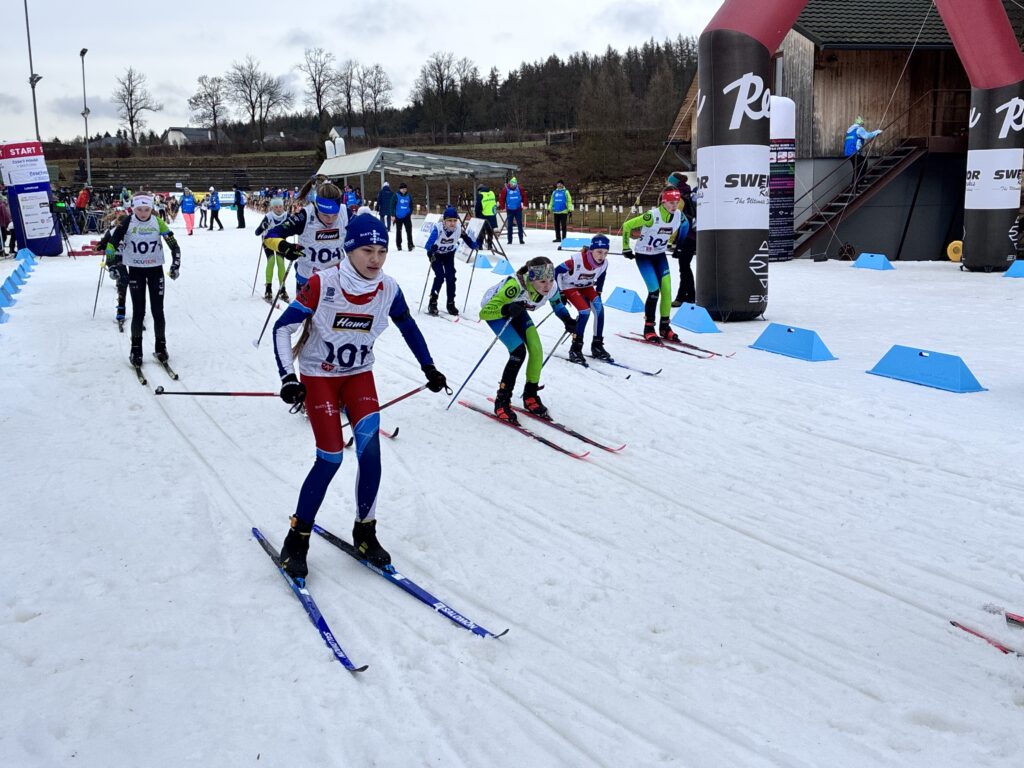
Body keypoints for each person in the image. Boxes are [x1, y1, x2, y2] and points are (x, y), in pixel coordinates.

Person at [271, 213, 448, 579]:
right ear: (349, 249)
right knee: (330, 458)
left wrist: (428, 367)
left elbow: (408, 325)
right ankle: (297, 538)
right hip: (320, 377)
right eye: (367, 250)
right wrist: (288, 377)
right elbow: (283, 327)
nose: (376, 259)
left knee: (371, 455)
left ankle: (365, 532)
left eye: (382, 251)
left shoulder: (388, 289)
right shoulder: (323, 283)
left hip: (358, 377)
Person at [104, 192, 182, 367]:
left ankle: (161, 347)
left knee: (158, 311)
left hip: (155, 271)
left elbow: (174, 246)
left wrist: (175, 265)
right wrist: (111, 264)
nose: (143, 213)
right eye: (139, 209)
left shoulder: (157, 222)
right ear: (134, 208)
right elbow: (111, 243)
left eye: (146, 209)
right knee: (139, 312)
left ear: (151, 208)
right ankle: (136, 350)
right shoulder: (127, 222)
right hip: (136, 272)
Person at [479, 256, 558, 424]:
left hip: (517, 310)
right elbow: (484, 312)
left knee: (536, 349)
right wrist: (506, 308)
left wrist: (568, 320)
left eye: (551, 280)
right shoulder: (514, 286)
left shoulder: (551, 287)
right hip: (496, 312)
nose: (548, 285)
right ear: (532, 279)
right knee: (518, 352)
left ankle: (530, 396)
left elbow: (557, 304)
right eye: (543, 281)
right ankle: (502, 401)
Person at [620, 187, 688, 342]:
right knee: (654, 290)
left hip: (659, 256)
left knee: (667, 290)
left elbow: (685, 226)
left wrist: (680, 246)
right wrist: (626, 247)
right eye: (671, 202)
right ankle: (649, 327)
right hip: (644, 256)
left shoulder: (679, 215)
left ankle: (665, 327)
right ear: (663, 202)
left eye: (676, 202)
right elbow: (627, 225)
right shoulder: (652, 216)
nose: (674, 206)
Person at [262, 180, 349, 294]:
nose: (330, 220)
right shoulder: (305, 216)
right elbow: (269, 236)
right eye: (325, 215)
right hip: (308, 280)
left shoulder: (345, 212)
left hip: (336, 278)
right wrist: (285, 247)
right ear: (316, 206)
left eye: (335, 215)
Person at [550, 234, 612, 364]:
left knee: (599, 309)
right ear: (591, 250)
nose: (602, 256)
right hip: (569, 286)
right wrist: (559, 293)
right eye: (599, 252)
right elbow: (556, 272)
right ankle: (576, 348)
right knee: (585, 311)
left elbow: (602, 276)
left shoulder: (604, 263)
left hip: (586, 286)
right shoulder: (577, 260)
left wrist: (599, 291)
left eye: (605, 253)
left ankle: (597, 345)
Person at [424, 206, 478, 316]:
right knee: (440, 277)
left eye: (454, 220)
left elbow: (468, 240)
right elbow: (428, 244)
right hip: (436, 255)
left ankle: (450, 303)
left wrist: (474, 245)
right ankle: (433, 302)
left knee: (451, 278)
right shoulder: (438, 229)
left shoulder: (458, 229)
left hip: (448, 254)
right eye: (449, 221)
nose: (452, 223)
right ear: (444, 221)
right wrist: (432, 247)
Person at [255, 197, 291, 302]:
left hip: (280, 242)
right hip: (268, 240)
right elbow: (257, 232)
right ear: (272, 208)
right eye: (276, 207)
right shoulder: (268, 216)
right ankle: (268, 288)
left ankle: (282, 289)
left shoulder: (287, 216)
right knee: (271, 261)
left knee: (280, 262)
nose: (279, 209)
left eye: (280, 206)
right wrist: (263, 226)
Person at [668, 174, 696, 307]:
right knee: (685, 266)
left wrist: (670, 240)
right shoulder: (688, 193)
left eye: (669, 182)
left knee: (684, 267)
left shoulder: (679, 198)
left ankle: (682, 297)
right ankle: (690, 295)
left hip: (686, 236)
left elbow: (676, 221)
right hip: (693, 235)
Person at [844, 116, 882, 193]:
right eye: (862, 124)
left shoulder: (850, 130)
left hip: (848, 152)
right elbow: (867, 136)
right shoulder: (859, 129)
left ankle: (854, 186)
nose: (863, 125)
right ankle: (859, 182)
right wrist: (876, 132)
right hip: (855, 152)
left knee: (856, 169)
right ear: (861, 123)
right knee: (863, 164)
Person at [499, 176, 527, 245]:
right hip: (510, 209)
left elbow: (524, 196)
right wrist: (502, 207)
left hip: (518, 209)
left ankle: (521, 239)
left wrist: (525, 204)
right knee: (510, 225)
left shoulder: (520, 188)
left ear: (516, 184)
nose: (513, 186)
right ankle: (509, 240)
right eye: (512, 185)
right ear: (510, 184)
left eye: (514, 185)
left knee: (519, 224)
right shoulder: (505, 189)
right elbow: (502, 199)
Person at [390, 182, 414, 251]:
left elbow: (411, 205)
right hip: (398, 216)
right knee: (398, 231)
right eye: (402, 189)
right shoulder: (396, 195)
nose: (404, 190)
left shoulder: (409, 196)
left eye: (405, 189)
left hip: (407, 216)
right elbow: (392, 205)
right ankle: (399, 245)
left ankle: (410, 245)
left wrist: (410, 212)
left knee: (409, 231)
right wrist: (392, 215)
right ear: (400, 189)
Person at [475, 184, 498, 250]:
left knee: (482, 231)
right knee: (490, 231)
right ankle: (489, 245)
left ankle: (480, 245)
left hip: (484, 215)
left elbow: (478, 206)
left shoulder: (480, 195)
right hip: (492, 215)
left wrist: (477, 215)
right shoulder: (492, 193)